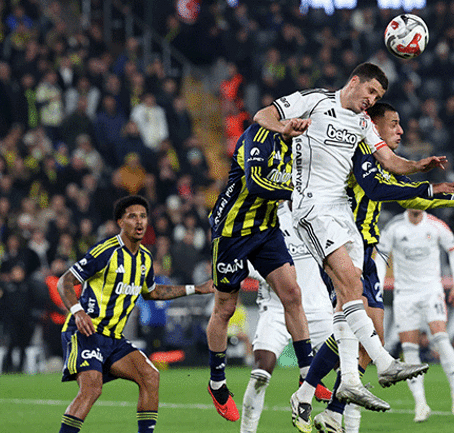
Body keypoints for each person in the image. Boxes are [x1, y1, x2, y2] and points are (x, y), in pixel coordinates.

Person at [254, 63, 446, 428]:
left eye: (377, 97)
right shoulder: (315, 100)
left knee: (349, 296)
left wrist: (419, 166)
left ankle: (338, 386)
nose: (371, 100)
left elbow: (389, 160)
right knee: (349, 282)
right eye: (370, 92)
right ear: (354, 82)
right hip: (311, 207)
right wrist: (283, 128)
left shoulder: (361, 123)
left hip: (343, 212)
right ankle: (384, 362)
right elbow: (263, 115)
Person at [295, 102, 454, 433]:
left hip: (367, 252)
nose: (400, 130)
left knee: (368, 338)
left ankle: (328, 408)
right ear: (374, 126)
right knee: (358, 330)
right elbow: (382, 189)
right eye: (394, 123)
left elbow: (406, 197)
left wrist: (452, 200)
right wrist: (429, 187)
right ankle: (316, 399)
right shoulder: (358, 153)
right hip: (342, 248)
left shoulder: (380, 162)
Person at [56, 195, 213, 433]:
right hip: (86, 332)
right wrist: (78, 312)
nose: (139, 222)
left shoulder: (145, 259)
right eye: (132, 217)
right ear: (120, 222)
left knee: (150, 376)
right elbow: (65, 281)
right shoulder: (106, 251)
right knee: (92, 388)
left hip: (113, 338)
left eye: (143, 216)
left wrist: (196, 289)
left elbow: (153, 292)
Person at [207, 122, 315, 422]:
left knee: (292, 293)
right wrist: (295, 191)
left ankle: (308, 375)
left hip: (266, 228)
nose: (303, 124)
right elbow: (255, 184)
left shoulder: (299, 146)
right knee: (225, 308)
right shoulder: (257, 136)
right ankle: (217, 383)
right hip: (232, 230)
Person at [240, 202, 334, 433]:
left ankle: (345, 425)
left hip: (318, 307)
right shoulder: (269, 218)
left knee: (350, 370)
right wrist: (271, 272)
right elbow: (246, 260)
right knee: (261, 373)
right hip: (277, 307)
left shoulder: (319, 214)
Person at [377, 208, 454, 422]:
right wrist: (378, 288)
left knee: (441, 338)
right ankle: (420, 403)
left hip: (431, 291)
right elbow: (380, 256)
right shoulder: (394, 227)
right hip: (405, 294)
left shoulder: (436, 225)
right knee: (409, 349)